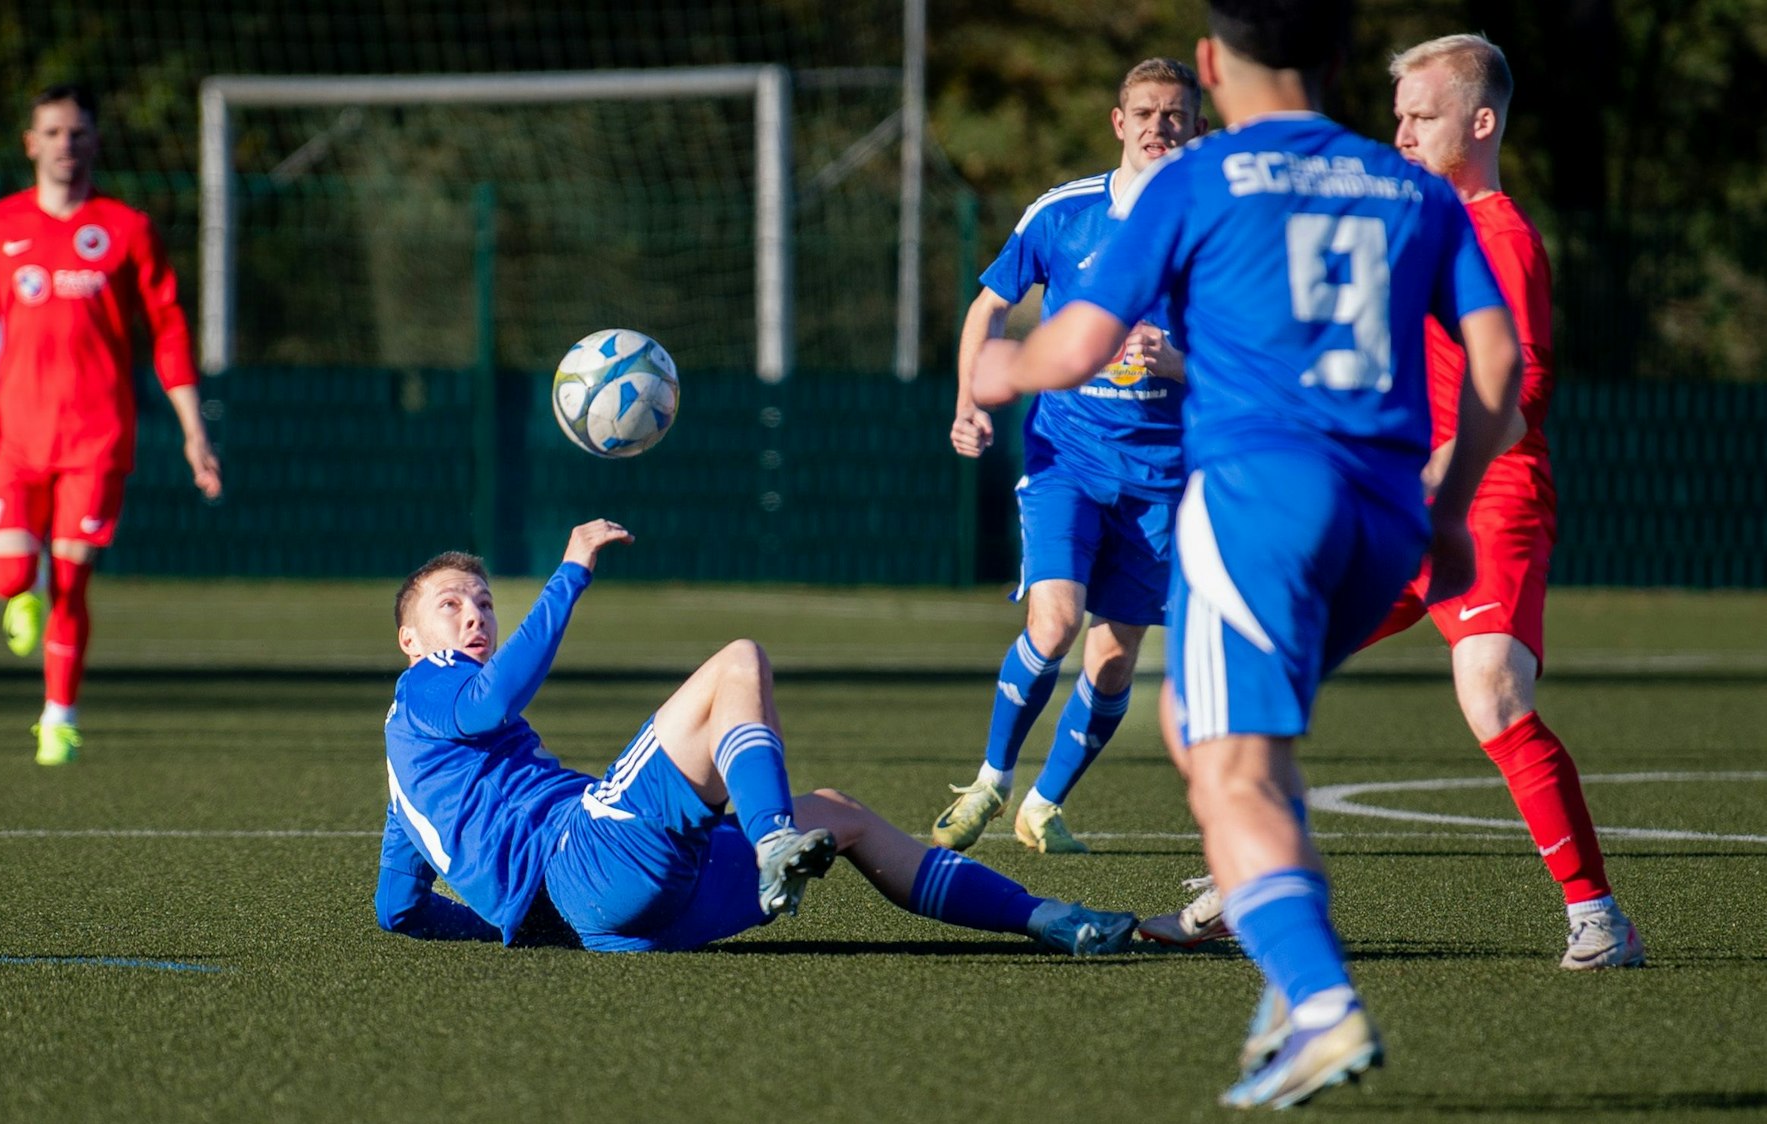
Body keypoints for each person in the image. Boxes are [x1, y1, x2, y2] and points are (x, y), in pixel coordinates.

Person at [971, 0, 1523, 1108]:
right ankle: (1286, 987)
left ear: (1213, 62)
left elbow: (1078, 340)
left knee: (1220, 763)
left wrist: (997, 373)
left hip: (1260, 505)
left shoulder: (1200, 179)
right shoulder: (1409, 187)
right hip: (1382, 518)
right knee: (1231, 746)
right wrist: (1453, 510)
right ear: (1330, 60)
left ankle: (1319, 1001)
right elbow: (1499, 361)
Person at [1139, 34, 1644, 973]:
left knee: (1490, 692)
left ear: (1480, 122)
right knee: (1246, 686)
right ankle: (1243, 889)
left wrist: (1437, 466)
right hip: (1386, 507)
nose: (1402, 132)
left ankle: (1597, 917)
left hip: (1486, 496)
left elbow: (1523, 386)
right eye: (1398, 114)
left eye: (1423, 115)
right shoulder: (1401, 216)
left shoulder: (1497, 233)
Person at [372, 520, 1139, 956]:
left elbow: (397, 910)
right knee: (737, 662)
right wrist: (569, 572)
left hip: (616, 917)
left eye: (481, 601)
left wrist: (520, 928)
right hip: (586, 857)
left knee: (841, 814)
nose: (474, 614)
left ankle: (1047, 919)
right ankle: (773, 839)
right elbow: (490, 700)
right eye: (450, 605)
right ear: (411, 640)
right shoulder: (427, 687)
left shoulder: (408, 786)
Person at [935, 59, 1205, 855]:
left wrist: (1178, 363)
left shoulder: (1214, 227)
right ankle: (990, 780)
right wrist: (967, 403)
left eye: (1174, 115)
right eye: (1145, 113)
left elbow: (1253, 355)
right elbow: (988, 306)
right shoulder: (1063, 213)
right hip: (1067, 456)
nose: (1159, 126)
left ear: (1195, 127)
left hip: (1164, 477)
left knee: (1114, 659)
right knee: (1051, 622)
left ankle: (1044, 804)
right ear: (1119, 123)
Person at [0, 84, 221, 766]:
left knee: (74, 581)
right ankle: (24, 590)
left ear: (94, 143)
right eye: (51, 132)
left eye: (77, 133)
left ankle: (58, 716)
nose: (64, 145)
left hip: (97, 438)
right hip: (16, 436)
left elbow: (166, 330)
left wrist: (193, 430)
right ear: (30, 143)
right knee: (11, 576)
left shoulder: (127, 228)